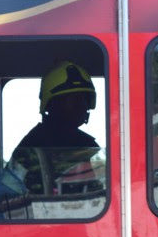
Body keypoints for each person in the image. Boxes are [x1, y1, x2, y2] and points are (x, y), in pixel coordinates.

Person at [10, 61, 102, 196]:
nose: (82, 106)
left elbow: (97, 190)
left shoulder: (87, 144)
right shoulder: (31, 146)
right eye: (75, 100)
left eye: (84, 99)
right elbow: (8, 192)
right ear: (54, 103)